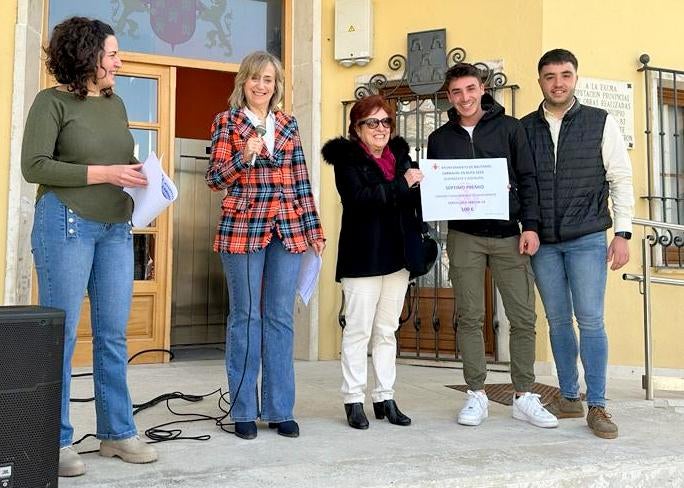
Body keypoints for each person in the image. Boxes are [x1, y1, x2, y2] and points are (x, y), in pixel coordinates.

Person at [21, 17, 158, 477]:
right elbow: (35, 166)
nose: (119, 61)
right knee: (59, 337)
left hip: (115, 227)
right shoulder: (51, 102)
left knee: (113, 334)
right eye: (113, 54)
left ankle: (116, 433)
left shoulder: (116, 104)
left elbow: (120, 160)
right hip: (66, 222)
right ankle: (54, 441)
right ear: (88, 56)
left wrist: (142, 177)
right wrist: (107, 172)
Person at [427, 63, 558, 429]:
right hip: (464, 236)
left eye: (470, 89)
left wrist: (530, 226)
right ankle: (476, 394)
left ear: (482, 88)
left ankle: (523, 395)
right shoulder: (440, 138)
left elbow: (529, 179)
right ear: (448, 96)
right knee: (470, 316)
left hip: (509, 235)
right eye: (456, 92)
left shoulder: (511, 128)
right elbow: (439, 186)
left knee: (523, 316)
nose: (465, 98)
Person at [206, 51, 325, 440]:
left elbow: (301, 180)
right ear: (244, 81)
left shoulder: (288, 124)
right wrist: (244, 157)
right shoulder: (227, 122)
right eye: (256, 78)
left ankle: (279, 408)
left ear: (277, 85)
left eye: (269, 80)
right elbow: (215, 178)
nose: (262, 85)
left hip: (288, 229)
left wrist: (315, 229)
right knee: (246, 316)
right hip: (243, 228)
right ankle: (242, 410)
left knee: (279, 318)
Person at [521, 49, 634, 439]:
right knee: (556, 320)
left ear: (575, 78)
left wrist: (622, 233)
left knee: (590, 320)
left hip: (587, 237)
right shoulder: (524, 128)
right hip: (544, 242)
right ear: (540, 81)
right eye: (550, 76)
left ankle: (598, 404)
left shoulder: (600, 122)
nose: (558, 83)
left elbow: (620, 179)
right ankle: (569, 397)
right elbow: (521, 183)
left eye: (565, 75)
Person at [321, 95, 424, 429]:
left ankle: (385, 397)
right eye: (372, 122)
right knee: (358, 330)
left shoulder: (402, 158)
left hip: (397, 255)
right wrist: (402, 185)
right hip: (363, 256)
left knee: (386, 331)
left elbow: (414, 199)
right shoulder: (346, 160)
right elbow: (360, 200)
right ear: (357, 128)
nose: (380, 128)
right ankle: (354, 399)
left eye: (385, 122)